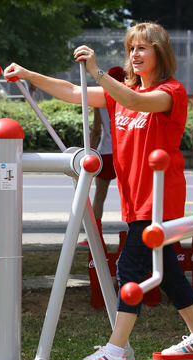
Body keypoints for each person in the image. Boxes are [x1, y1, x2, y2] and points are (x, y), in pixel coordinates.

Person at [4, 22, 193, 360]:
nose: (135, 54)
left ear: (160, 53)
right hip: (136, 199)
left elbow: (136, 100)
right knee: (169, 271)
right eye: (131, 48)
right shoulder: (122, 93)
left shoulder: (170, 92)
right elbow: (74, 91)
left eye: (143, 47)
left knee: (131, 265)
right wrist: (29, 75)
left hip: (159, 198)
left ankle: (115, 350)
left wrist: (98, 71)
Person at [78, 66, 127, 247]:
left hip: (106, 152)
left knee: (99, 196)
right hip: (125, 154)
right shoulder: (129, 98)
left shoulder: (101, 100)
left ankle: (94, 238)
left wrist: (87, 153)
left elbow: (97, 130)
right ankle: (135, 237)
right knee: (130, 197)